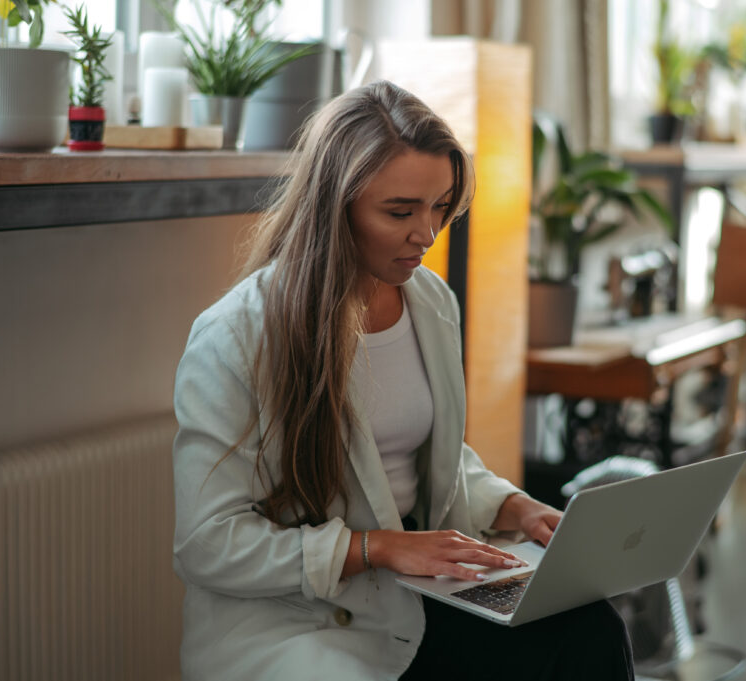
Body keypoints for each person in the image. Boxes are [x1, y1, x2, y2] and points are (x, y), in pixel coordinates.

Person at [172, 80, 634, 680]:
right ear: (334, 206)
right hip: (304, 616)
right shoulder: (235, 338)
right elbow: (207, 543)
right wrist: (376, 548)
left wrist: (513, 506)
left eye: (441, 205)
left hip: (415, 589)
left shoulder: (430, 302)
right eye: (400, 212)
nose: (429, 233)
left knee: (589, 628)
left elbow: (423, 451)